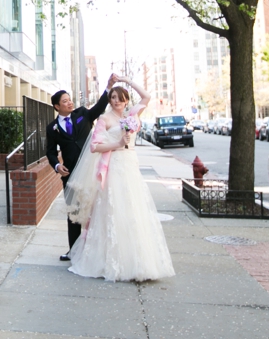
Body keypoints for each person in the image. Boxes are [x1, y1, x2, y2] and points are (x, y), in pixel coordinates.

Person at [65, 73, 175, 282]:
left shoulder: (132, 115)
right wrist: (117, 144)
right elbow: (95, 146)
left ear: (126, 99)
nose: (116, 101)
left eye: (120, 97)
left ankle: (138, 261)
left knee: (134, 209)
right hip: (114, 166)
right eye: (113, 97)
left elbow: (147, 96)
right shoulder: (104, 119)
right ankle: (111, 260)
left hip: (131, 166)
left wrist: (125, 81)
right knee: (114, 208)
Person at [46, 73, 115, 261]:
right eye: (65, 101)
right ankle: (73, 251)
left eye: (70, 100)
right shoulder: (52, 128)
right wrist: (57, 165)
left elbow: (100, 107)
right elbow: (50, 152)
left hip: (91, 172)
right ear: (57, 106)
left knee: (95, 210)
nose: (69, 103)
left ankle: (97, 249)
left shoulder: (83, 114)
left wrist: (108, 88)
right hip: (70, 175)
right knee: (74, 214)